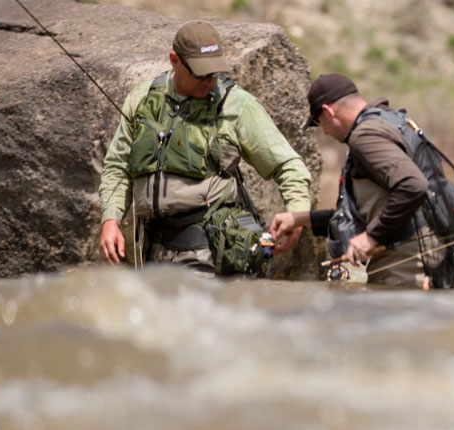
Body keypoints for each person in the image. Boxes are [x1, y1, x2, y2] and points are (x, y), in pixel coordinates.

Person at [97, 21, 311, 271]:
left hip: (210, 252)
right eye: (201, 73)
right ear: (174, 61)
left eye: (214, 72)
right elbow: (117, 167)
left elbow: (288, 165)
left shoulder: (238, 105)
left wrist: (297, 214)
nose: (210, 81)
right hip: (151, 251)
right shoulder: (140, 100)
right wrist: (110, 219)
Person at [270, 73, 454, 288]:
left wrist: (371, 237)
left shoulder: (365, 136)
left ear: (328, 111)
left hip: (408, 265)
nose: (325, 132)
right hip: (438, 255)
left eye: (320, 124)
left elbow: (413, 186)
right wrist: (299, 219)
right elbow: (362, 215)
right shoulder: (393, 122)